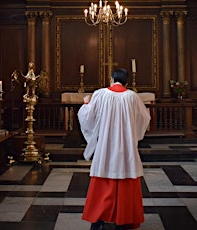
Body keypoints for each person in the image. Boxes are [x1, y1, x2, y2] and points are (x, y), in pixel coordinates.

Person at [78, 68, 150, 230]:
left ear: (111, 79)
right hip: (126, 147)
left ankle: (98, 220)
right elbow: (144, 118)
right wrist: (134, 135)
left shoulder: (100, 94)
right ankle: (124, 219)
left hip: (106, 146)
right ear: (126, 82)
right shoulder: (132, 96)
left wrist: (86, 103)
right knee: (127, 178)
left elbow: (88, 117)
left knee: (103, 180)